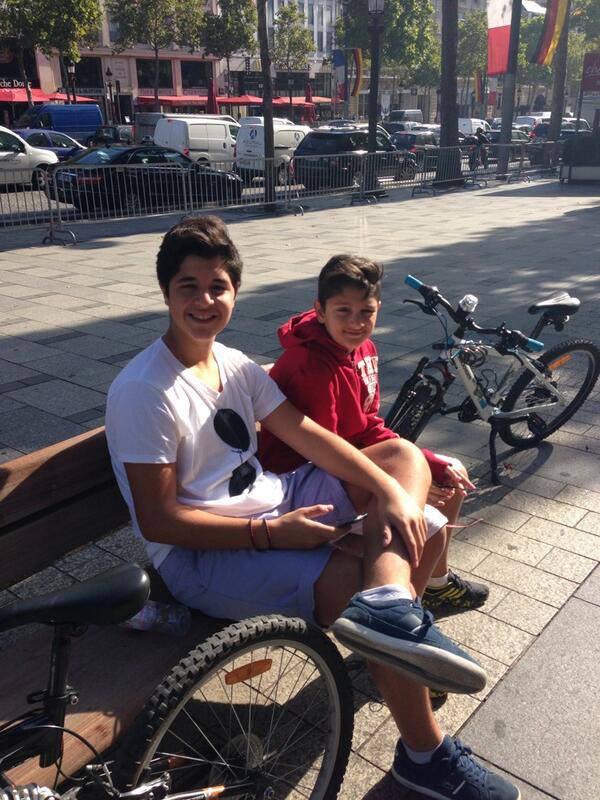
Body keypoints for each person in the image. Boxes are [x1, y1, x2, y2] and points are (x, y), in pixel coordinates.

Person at [105, 216, 518, 800]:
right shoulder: (145, 390)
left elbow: (307, 435)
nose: (205, 301)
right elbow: (159, 521)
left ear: (235, 291)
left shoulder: (233, 363)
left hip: (277, 497)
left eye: (218, 286)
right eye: (188, 287)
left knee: (402, 460)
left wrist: (390, 490)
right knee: (386, 555)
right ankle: (424, 756)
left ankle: (389, 609)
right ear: (165, 292)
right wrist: (273, 534)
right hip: (202, 555)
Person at [259, 255, 488, 619]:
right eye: (343, 311)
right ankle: (401, 605)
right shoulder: (310, 365)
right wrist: (407, 475)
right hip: (299, 475)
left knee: (449, 474)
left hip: (337, 458)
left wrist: (427, 464)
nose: (355, 323)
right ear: (320, 310)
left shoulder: (363, 348)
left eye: (366, 312)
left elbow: (364, 423)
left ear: (378, 308)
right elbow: (331, 447)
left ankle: (434, 584)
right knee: (431, 521)